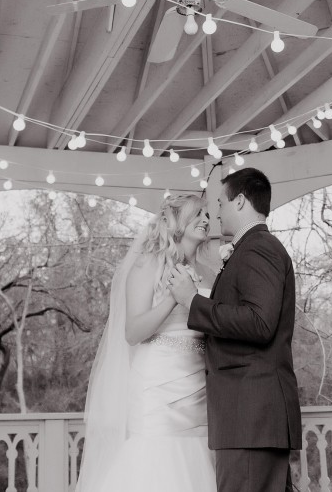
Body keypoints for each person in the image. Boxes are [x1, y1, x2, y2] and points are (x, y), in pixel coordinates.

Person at [170, 167, 302, 492]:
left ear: (240, 201)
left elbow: (260, 323)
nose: (216, 212)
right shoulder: (251, 249)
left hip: (250, 417)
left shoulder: (259, 248)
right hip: (249, 419)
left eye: (220, 203)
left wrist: (192, 302)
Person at [76, 193, 219, 492]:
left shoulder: (210, 271)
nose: (206, 220)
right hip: (158, 384)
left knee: (197, 461)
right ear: (177, 222)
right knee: (158, 461)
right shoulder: (147, 264)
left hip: (200, 383)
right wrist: (174, 297)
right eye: (198, 214)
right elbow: (133, 332)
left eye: (207, 215)